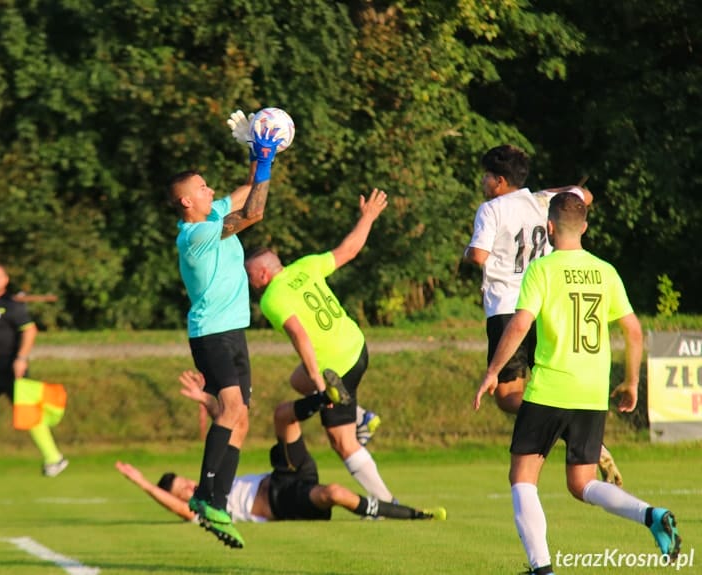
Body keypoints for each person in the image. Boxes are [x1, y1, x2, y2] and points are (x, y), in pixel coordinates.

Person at [473, 192, 681, 574]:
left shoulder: (542, 270)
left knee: (522, 477)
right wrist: (632, 381)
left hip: (551, 387)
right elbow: (633, 331)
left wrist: (492, 372)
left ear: (549, 227)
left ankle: (541, 568)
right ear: (584, 227)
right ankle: (651, 515)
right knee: (581, 482)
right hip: (590, 392)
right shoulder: (606, 271)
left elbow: (520, 324)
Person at [461, 145, 621, 486]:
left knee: (507, 397)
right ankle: (576, 431)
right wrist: (558, 192)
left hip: (508, 309)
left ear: (500, 181)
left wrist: (465, 251)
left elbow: (478, 256)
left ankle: (562, 429)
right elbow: (586, 195)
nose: (484, 182)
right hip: (544, 303)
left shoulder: (491, 209)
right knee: (547, 382)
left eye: (487, 176)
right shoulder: (542, 202)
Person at [116, 370, 446, 529]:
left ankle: (325, 398)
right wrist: (141, 483)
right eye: (182, 493)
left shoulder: (210, 480)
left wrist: (204, 397)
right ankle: (405, 513)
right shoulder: (203, 510)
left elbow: (223, 421)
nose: (190, 488)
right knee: (333, 493)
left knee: (282, 415)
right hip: (280, 501)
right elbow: (183, 510)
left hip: (283, 475)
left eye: (186, 483)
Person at [167, 112, 283, 548]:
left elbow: (246, 192)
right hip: (211, 332)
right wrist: (266, 165)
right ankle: (207, 498)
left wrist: (257, 152)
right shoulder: (195, 235)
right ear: (185, 202)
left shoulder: (212, 212)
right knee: (231, 411)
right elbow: (254, 211)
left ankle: (215, 501)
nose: (211, 190)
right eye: (202, 188)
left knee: (241, 419)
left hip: (233, 330)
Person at [244, 188, 396, 503]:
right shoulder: (306, 265)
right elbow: (349, 249)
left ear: (262, 273)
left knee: (341, 442)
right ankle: (361, 415)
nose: (250, 285)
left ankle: (384, 502)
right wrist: (367, 217)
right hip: (356, 346)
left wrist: (319, 381)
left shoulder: (272, 298)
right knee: (295, 381)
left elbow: (300, 337)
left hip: (333, 368)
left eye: (250, 278)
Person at [0, 263, 68, 477]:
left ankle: (54, 458)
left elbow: (30, 330)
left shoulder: (12, 305)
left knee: (29, 416)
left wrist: (21, 358)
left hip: (13, 369)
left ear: (6, 280)